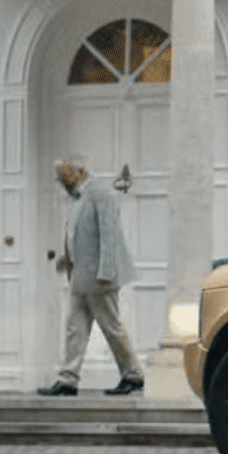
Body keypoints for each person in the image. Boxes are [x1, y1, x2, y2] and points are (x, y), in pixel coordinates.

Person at [39, 157, 145, 396]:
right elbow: (82, 236)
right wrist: (68, 260)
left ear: (79, 172)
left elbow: (109, 234)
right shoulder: (80, 198)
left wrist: (106, 271)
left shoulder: (100, 193)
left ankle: (133, 375)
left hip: (99, 278)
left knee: (111, 326)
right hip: (81, 276)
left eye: (64, 176)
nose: (61, 182)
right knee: (75, 328)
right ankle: (68, 379)